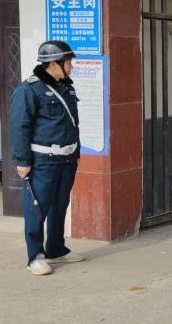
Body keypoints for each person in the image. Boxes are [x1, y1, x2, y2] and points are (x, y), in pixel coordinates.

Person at [9, 41, 84, 276]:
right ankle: (35, 256)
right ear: (54, 63)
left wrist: (75, 153)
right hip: (43, 161)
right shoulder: (28, 89)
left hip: (66, 160)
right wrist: (22, 161)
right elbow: (19, 126)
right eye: (68, 62)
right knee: (37, 210)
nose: (71, 67)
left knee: (59, 206)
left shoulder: (66, 88)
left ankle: (56, 248)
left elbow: (72, 124)